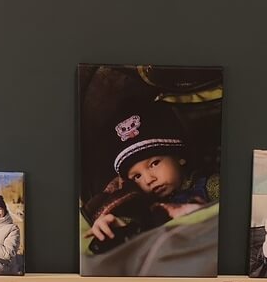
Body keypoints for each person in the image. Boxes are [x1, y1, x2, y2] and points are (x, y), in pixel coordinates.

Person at [87, 102, 220, 247]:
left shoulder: (211, 186)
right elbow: (129, 224)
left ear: (179, 156)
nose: (149, 180)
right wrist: (113, 227)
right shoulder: (141, 209)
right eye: (137, 176)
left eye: (154, 164)